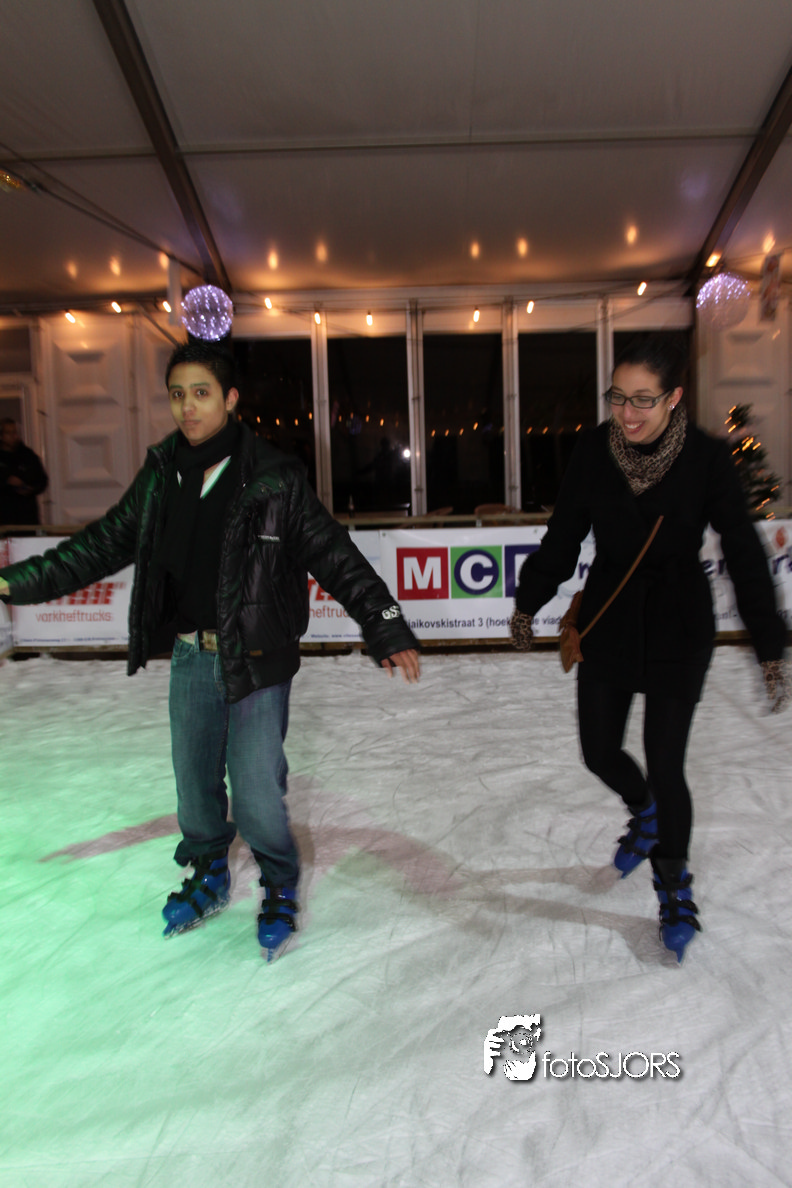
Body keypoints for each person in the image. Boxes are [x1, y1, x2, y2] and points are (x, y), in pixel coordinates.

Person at [0, 341, 420, 961]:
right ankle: (209, 871)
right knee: (195, 786)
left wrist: (386, 626)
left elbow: (337, 557)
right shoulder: (162, 474)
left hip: (258, 658)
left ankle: (279, 878)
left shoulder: (275, 478)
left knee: (253, 791)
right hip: (192, 655)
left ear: (230, 398)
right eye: (177, 395)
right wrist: (14, 582)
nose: (187, 407)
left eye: (201, 393)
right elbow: (99, 546)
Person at [510, 333, 789, 962]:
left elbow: (743, 550)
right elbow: (564, 536)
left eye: (643, 399)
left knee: (666, 763)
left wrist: (769, 643)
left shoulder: (706, 458)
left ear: (674, 398)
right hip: (609, 617)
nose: (627, 413)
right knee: (598, 750)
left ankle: (673, 887)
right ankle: (646, 814)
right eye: (618, 397)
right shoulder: (593, 450)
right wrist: (529, 601)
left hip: (678, 624)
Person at [0, 418, 48, 526]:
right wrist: (7, 482)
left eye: (14, 432)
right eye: (8, 433)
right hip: (3, 514)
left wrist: (29, 488)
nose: (13, 436)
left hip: (26, 515)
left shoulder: (28, 455)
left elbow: (42, 480)